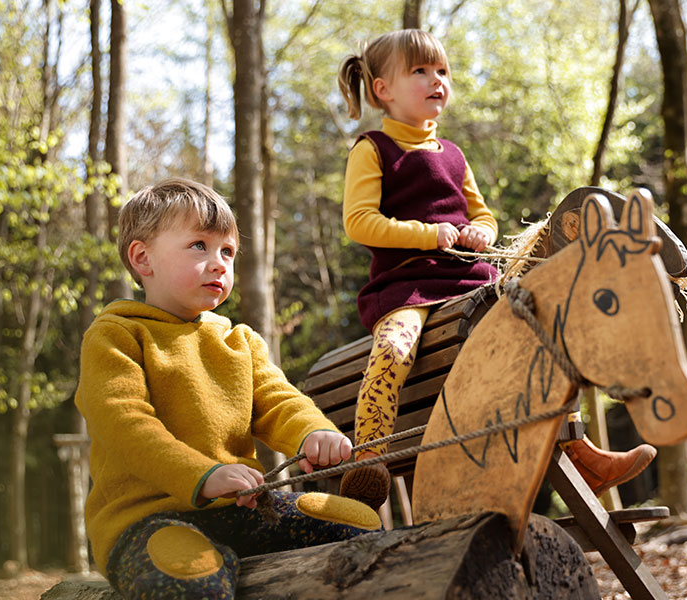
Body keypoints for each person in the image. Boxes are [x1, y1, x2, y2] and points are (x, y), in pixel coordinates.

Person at [335, 29, 655, 510]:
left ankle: (580, 453)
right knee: (394, 348)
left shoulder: (454, 155)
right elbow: (359, 221)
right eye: (420, 71)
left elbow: (481, 213)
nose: (437, 80)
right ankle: (370, 456)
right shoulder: (373, 149)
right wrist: (427, 234)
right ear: (383, 90)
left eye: (442, 71)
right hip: (409, 286)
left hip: (470, 280)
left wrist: (483, 231)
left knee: (543, 338)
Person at [75, 178, 380, 599]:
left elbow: (279, 400)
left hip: (244, 509)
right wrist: (203, 475)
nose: (219, 263)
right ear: (143, 258)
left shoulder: (239, 340)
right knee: (189, 580)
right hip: (149, 519)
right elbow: (123, 424)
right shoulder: (115, 335)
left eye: (228, 252)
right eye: (199, 246)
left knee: (359, 527)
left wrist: (313, 433)